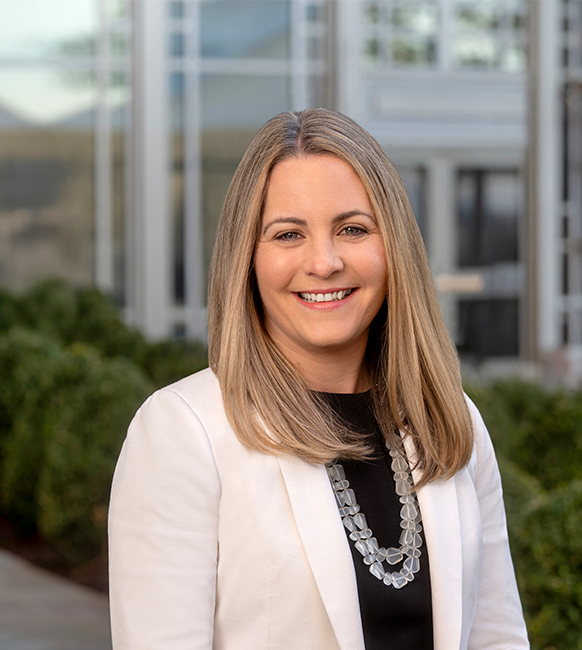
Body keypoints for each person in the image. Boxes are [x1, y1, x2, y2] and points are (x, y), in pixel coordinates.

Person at [108, 108, 529, 650]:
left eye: (352, 229)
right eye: (288, 234)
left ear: (394, 246)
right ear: (248, 260)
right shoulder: (182, 433)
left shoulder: (449, 420)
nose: (324, 262)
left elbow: (497, 639)